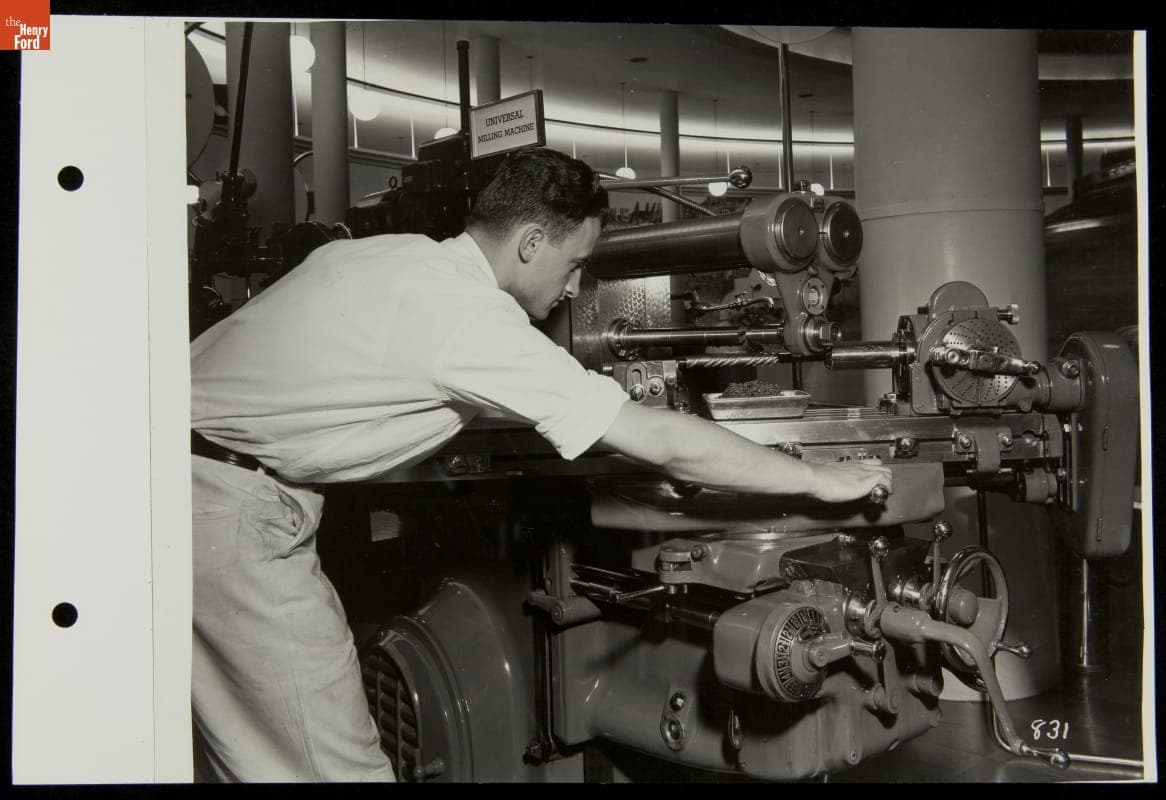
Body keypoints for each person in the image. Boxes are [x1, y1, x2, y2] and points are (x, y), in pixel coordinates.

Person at [189, 147, 892, 782]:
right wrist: (817, 478)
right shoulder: (469, 320)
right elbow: (669, 444)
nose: (577, 285)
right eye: (575, 262)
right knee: (336, 769)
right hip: (234, 512)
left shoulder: (390, 258)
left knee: (252, 754)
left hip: (171, 473)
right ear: (530, 244)